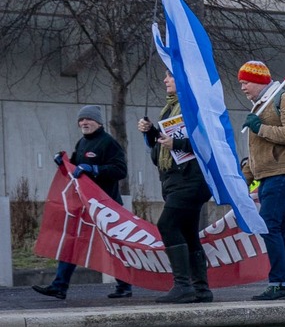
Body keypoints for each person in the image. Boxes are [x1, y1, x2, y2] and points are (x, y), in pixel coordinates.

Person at [34, 105, 134, 300]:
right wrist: (63, 163)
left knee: (111, 247)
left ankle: (125, 286)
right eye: (81, 120)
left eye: (88, 119)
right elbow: (74, 169)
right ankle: (59, 286)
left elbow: (120, 170)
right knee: (71, 241)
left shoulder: (108, 143)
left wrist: (94, 169)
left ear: (98, 122)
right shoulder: (81, 143)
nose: (84, 123)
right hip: (84, 205)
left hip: (106, 206)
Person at [235, 60, 285, 301]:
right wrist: (243, 179)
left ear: (258, 81)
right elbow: (259, 155)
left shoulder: (283, 98)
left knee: (268, 224)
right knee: (279, 229)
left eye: (245, 82)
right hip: (269, 176)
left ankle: (278, 283)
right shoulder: (260, 105)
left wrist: (261, 128)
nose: (243, 88)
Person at [138, 73, 213, 304]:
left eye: (170, 76)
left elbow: (209, 142)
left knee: (167, 225)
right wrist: (150, 132)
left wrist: (177, 143)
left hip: (191, 180)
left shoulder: (194, 106)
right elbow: (164, 145)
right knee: (188, 232)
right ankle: (200, 288)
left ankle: (183, 285)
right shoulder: (170, 109)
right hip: (175, 180)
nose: (165, 80)